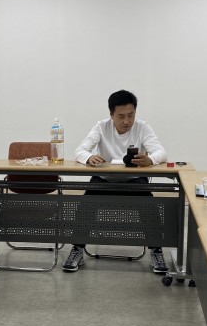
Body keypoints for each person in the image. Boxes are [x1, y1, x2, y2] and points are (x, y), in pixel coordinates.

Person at [63, 89, 168, 274]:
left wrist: (150, 159)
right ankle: (77, 249)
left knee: (150, 205)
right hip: (105, 179)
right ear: (111, 114)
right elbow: (80, 151)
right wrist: (89, 157)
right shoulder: (101, 127)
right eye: (121, 116)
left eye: (131, 115)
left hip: (134, 180)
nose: (126, 121)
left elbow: (161, 152)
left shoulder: (142, 127)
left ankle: (156, 251)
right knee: (86, 204)